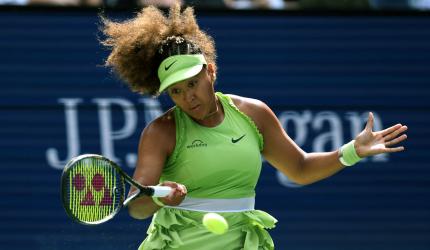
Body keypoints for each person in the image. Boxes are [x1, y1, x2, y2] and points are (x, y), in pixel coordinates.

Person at [100, 3, 408, 250]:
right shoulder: (162, 131)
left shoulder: (253, 113)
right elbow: (137, 206)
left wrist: (352, 151)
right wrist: (157, 197)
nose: (187, 97)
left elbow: (299, 168)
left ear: (210, 71)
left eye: (192, 84)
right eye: (176, 91)